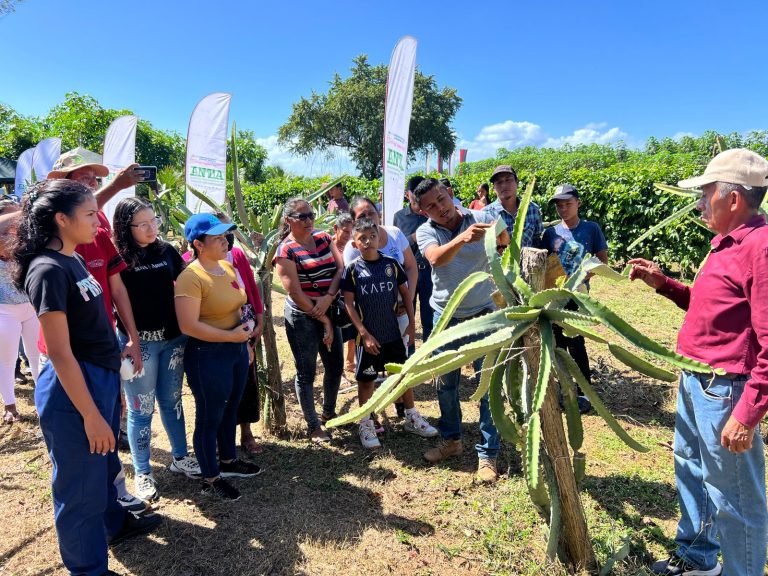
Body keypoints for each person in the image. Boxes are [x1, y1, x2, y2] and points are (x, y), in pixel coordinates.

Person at [629, 149, 768, 576]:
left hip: (726, 389)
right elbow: (710, 306)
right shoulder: (726, 244)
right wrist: (665, 285)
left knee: (737, 497)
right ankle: (697, 557)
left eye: (706, 193)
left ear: (733, 199)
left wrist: (747, 414)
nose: (699, 202)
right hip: (698, 379)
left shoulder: (760, 249)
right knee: (692, 469)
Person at [12, 179, 161, 576]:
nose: (100, 221)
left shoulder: (73, 258)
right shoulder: (47, 269)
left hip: (98, 377)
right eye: (91, 214)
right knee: (78, 489)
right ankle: (87, 570)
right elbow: (60, 353)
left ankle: (112, 529)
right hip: (73, 390)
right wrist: (92, 415)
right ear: (62, 219)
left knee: (99, 473)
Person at [47, 148, 147, 513]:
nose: (92, 184)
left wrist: (132, 336)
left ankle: (113, 496)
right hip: (68, 353)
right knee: (78, 434)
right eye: (82, 178)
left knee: (108, 423)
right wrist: (115, 186)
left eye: (95, 179)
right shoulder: (45, 245)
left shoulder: (98, 230)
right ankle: (88, 508)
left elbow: (117, 286)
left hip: (104, 345)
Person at [414, 177, 503, 483]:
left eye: (442, 199)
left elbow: (505, 242)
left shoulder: (481, 218)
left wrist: (497, 236)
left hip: (484, 313)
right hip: (445, 316)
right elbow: (436, 259)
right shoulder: (425, 231)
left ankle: (488, 453)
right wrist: (464, 239)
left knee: (487, 384)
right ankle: (452, 440)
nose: (440, 208)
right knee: (445, 383)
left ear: (449, 194)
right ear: (421, 210)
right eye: (431, 206)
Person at [112, 197, 201, 502]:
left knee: (172, 400)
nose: (152, 229)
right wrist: (131, 340)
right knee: (141, 407)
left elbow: (187, 283)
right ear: (127, 227)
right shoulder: (118, 258)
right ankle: (143, 472)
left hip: (174, 340)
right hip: (140, 345)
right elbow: (116, 301)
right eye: (144, 224)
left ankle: (180, 457)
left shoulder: (166, 251)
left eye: (155, 222)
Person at [175, 214, 262, 501]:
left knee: (230, 408)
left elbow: (240, 306)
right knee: (210, 415)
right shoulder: (190, 277)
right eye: (216, 238)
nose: (225, 240)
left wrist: (245, 343)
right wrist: (231, 337)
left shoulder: (226, 267)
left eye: (225, 235)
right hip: (208, 355)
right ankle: (210, 476)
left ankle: (228, 461)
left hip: (235, 350)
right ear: (198, 244)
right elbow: (188, 325)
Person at [341, 218, 437, 449]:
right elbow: (348, 304)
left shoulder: (392, 264)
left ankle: (411, 417)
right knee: (366, 381)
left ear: (378, 238)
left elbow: (406, 294)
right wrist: (363, 333)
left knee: (401, 376)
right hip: (368, 340)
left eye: (371, 237)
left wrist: (412, 325)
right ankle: (365, 423)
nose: (367, 241)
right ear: (355, 244)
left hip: (392, 334)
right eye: (361, 238)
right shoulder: (353, 270)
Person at [274, 198, 343, 443]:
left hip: (330, 308)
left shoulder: (324, 238)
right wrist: (322, 316)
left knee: (335, 365)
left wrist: (328, 298)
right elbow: (294, 292)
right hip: (302, 317)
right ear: (288, 220)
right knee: (306, 372)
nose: (309, 220)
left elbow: (340, 268)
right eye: (302, 216)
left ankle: (328, 413)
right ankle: (313, 426)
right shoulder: (285, 251)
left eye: (311, 215)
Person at [542, 184, 608, 414]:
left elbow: (602, 260)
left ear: (578, 203)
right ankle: (564, 390)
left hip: (579, 296)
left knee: (577, 345)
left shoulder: (591, 229)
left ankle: (583, 393)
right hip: (555, 297)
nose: (563, 209)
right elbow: (543, 262)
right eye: (559, 205)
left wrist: (583, 275)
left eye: (568, 204)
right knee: (557, 345)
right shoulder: (550, 234)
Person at [0, 196, 40, 423]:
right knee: (6, 359)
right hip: (4, 310)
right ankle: (10, 406)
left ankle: (44, 398)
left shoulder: (26, 244)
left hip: (30, 307)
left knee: (37, 356)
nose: (15, 229)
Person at [393, 175, 434, 341]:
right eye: (414, 192)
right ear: (407, 194)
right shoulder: (399, 216)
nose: (417, 196)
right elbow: (395, 245)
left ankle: (430, 357)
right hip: (408, 273)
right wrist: (413, 238)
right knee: (407, 317)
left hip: (429, 273)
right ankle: (408, 356)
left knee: (429, 318)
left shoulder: (432, 214)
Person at [483, 165, 543, 248]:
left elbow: (537, 241)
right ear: (494, 188)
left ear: (517, 183)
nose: (504, 185)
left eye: (508, 180)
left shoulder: (533, 209)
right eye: (499, 182)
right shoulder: (485, 214)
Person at [331, 211, 357, 376]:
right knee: (336, 334)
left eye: (351, 231)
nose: (349, 235)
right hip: (333, 297)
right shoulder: (327, 246)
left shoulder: (355, 246)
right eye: (346, 231)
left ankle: (350, 361)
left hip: (351, 295)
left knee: (353, 331)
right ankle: (338, 368)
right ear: (335, 228)